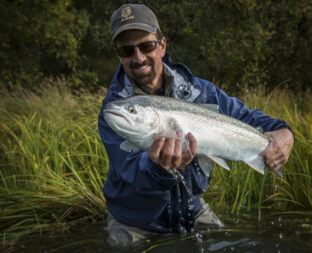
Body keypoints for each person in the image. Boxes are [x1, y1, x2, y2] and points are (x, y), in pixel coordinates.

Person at [98, 3, 294, 247]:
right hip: (134, 221)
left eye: (146, 46)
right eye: (126, 50)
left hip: (190, 210)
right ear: (118, 54)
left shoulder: (199, 91)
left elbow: (246, 116)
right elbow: (133, 173)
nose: (138, 57)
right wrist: (159, 169)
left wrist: (284, 132)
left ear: (162, 45)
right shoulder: (113, 112)